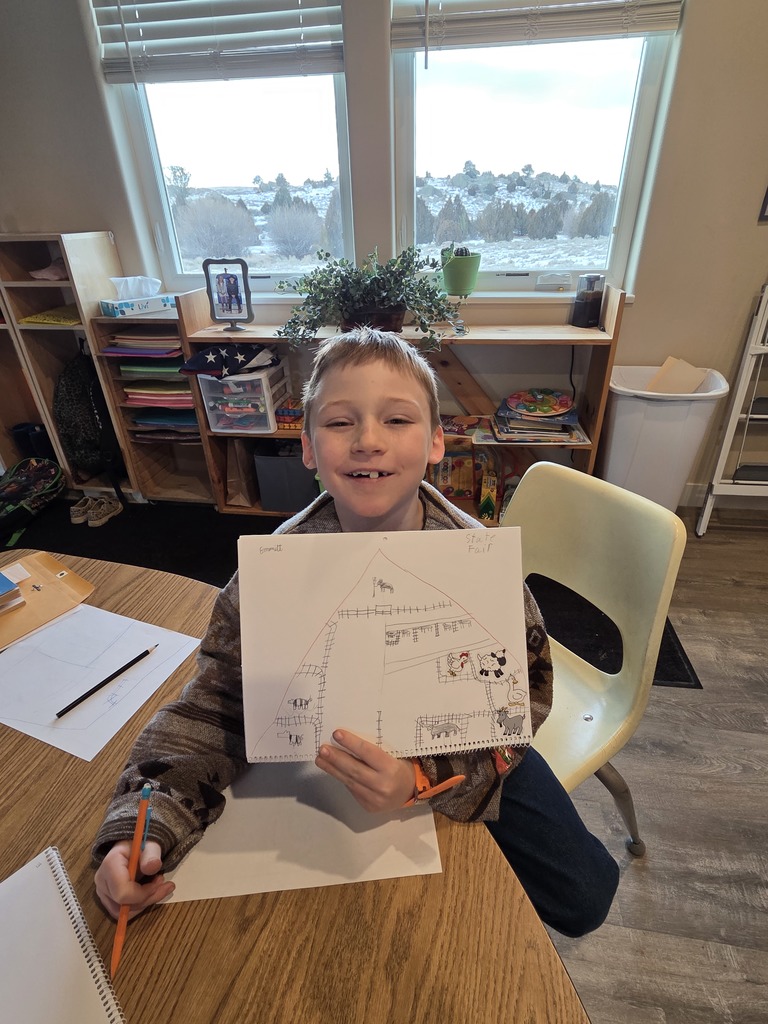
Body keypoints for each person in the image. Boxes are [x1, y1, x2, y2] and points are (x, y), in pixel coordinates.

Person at [93, 328, 618, 937]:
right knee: (339, 917)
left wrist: (421, 776)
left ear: (435, 442)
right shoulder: (275, 567)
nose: (369, 441)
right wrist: (143, 826)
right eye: (341, 423)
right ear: (309, 447)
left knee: (583, 895)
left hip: (456, 740)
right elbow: (215, 704)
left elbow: (524, 696)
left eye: (397, 420)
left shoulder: (476, 562)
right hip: (327, 743)